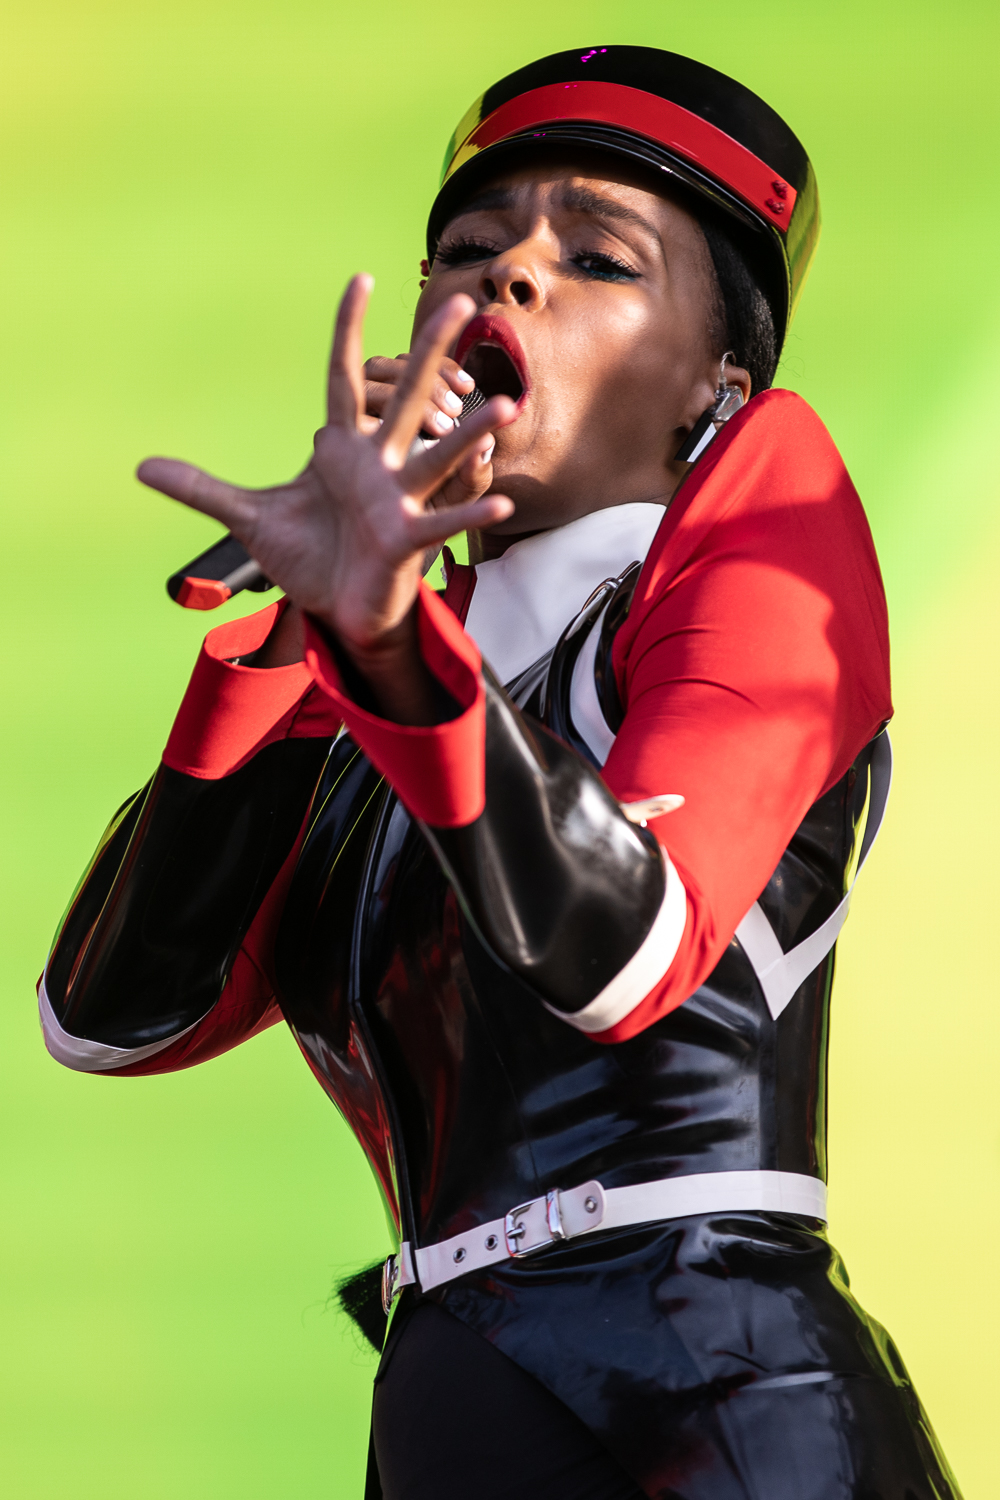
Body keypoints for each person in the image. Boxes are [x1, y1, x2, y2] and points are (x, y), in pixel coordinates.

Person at [38, 44, 961, 1500]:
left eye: (598, 258)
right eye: (468, 251)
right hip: (451, 1407)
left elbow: (627, 949)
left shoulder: (756, 524)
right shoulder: (386, 675)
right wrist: (303, 631)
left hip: (714, 1397)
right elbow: (105, 1019)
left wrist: (387, 640)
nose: (511, 274)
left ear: (716, 383)